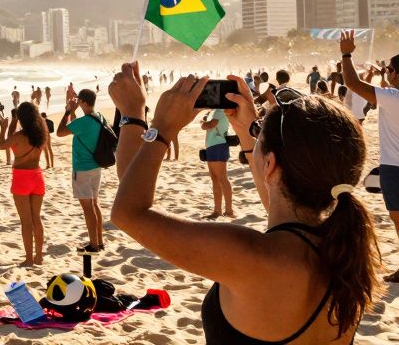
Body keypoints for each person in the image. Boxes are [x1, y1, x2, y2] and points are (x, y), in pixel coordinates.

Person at [110, 64, 379, 343]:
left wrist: (146, 121)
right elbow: (282, 202)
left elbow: (130, 212)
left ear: (271, 165)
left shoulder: (250, 256)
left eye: (259, 133)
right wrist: (247, 131)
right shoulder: (342, 250)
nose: (255, 135)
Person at [339, 30, 399, 283]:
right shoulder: (390, 97)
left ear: (396, 74)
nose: (387, 74)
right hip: (392, 166)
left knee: (398, 219)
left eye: (389, 70)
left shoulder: (392, 98)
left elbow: (351, 83)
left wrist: (346, 54)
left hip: (394, 167)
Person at [56, 85, 107, 252]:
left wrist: (67, 111)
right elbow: (77, 126)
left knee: (88, 208)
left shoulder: (83, 122)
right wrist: (73, 111)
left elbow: (60, 132)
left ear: (83, 102)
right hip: (95, 166)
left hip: (82, 168)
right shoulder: (98, 117)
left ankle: (93, 244)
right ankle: (99, 241)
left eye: (79, 101)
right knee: (95, 204)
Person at [0, 101, 46, 265]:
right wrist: (13, 121)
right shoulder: (41, 134)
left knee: (26, 221)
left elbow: (1, 145)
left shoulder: (19, 137)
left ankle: (29, 258)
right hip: (37, 177)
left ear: (21, 118)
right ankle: (39, 256)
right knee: (36, 219)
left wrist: (3, 127)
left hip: (21, 178)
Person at [200, 110, 234, 219]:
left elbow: (211, 124)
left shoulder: (220, 109)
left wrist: (202, 123)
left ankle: (228, 211)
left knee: (222, 178)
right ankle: (217, 210)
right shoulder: (215, 111)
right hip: (213, 145)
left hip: (217, 145)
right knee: (215, 179)